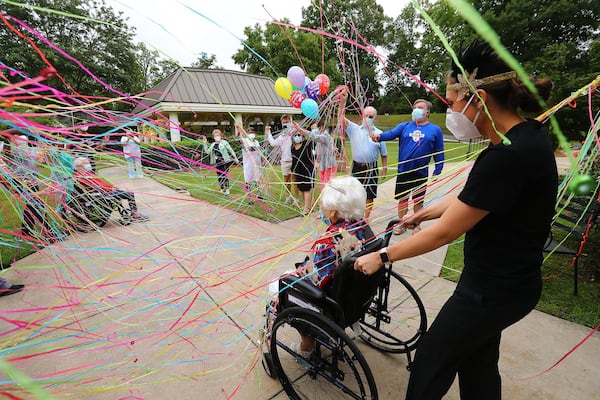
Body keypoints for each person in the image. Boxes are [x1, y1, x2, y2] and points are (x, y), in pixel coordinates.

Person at [354, 40, 557, 399]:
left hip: (491, 290)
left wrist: (381, 257)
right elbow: (472, 200)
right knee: (476, 361)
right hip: (510, 284)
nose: (450, 111)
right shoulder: (525, 139)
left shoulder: (507, 157)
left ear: (478, 100)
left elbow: (445, 234)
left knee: (432, 359)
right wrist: (422, 212)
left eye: (452, 102)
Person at [272, 175, 376, 356]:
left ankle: (307, 343)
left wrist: (296, 273)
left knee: (277, 286)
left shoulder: (329, 242)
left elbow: (315, 280)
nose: (319, 207)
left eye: (322, 204)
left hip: (329, 303)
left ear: (334, 212)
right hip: (354, 298)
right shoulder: (363, 228)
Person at [370, 99, 445, 234]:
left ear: (427, 112)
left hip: (421, 172)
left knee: (418, 201)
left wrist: (437, 170)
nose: (416, 109)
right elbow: (391, 134)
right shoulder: (404, 126)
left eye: (420, 107)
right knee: (403, 200)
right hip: (403, 171)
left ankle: (416, 225)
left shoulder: (435, 130)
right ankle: (401, 224)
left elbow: (439, 152)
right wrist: (379, 137)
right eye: (415, 107)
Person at [338, 98, 388, 221]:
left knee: (369, 195)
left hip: (371, 167)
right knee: (354, 193)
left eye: (370, 116)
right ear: (362, 116)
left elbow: (384, 154)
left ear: (374, 118)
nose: (368, 118)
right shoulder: (354, 129)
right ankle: (355, 216)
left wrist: (384, 168)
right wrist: (343, 102)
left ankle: (365, 219)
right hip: (356, 166)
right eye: (366, 115)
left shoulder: (379, 133)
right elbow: (341, 117)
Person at [73, 157, 149, 222]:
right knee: (130, 194)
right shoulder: (83, 176)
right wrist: (111, 188)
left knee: (125, 192)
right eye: (87, 163)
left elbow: (98, 185)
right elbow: (96, 186)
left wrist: (110, 188)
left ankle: (131, 213)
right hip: (103, 193)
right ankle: (135, 214)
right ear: (81, 165)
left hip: (103, 192)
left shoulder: (84, 174)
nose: (89, 165)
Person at [266, 115, 297, 203]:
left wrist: (294, 127)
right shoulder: (282, 136)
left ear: (290, 122)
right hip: (284, 160)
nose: (285, 124)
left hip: (294, 159)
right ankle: (288, 196)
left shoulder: (294, 132)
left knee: (295, 179)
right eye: (283, 122)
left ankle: (297, 197)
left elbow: (300, 135)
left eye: (287, 122)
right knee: (286, 180)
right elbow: (273, 143)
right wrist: (269, 134)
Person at [202, 129, 239, 195]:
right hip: (217, 161)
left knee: (224, 175)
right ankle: (222, 188)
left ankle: (227, 189)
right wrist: (205, 143)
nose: (217, 137)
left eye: (218, 135)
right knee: (219, 175)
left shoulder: (224, 142)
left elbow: (230, 150)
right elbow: (207, 152)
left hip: (225, 161)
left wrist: (235, 158)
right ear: (214, 137)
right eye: (215, 136)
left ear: (220, 136)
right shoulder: (213, 144)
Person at [305, 120, 337, 189]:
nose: (313, 130)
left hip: (329, 166)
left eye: (314, 128)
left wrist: (301, 130)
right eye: (312, 129)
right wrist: (317, 162)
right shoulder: (320, 140)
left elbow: (315, 137)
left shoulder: (325, 137)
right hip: (323, 166)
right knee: (323, 186)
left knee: (329, 187)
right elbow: (319, 153)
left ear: (321, 127)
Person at [290, 129, 315, 215]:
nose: (297, 137)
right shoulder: (292, 147)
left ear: (303, 136)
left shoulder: (307, 144)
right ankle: (306, 206)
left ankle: (306, 209)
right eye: (295, 135)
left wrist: (301, 129)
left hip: (307, 170)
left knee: (306, 189)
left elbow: (313, 138)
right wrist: (292, 170)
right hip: (298, 170)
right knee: (301, 188)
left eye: (299, 135)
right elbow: (294, 159)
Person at [236, 125, 263, 201]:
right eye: (250, 132)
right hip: (248, 164)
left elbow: (259, 151)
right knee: (248, 180)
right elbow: (240, 141)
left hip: (257, 163)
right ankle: (249, 197)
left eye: (253, 132)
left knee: (257, 179)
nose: (252, 134)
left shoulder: (256, 142)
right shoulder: (245, 141)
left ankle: (259, 194)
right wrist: (239, 131)